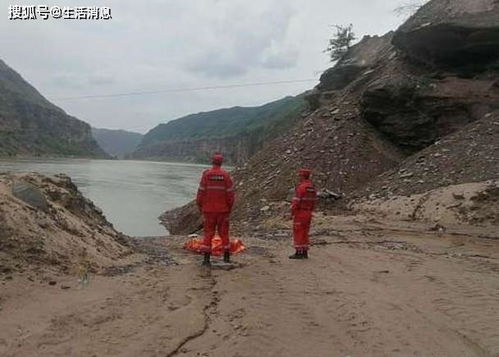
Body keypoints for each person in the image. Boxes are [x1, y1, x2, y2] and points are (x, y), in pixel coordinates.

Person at [196, 153, 235, 266]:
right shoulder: (226, 176)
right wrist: (229, 209)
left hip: (208, 211)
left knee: (208, 233)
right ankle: (226, 258)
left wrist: (200, 207)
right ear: (221, 162)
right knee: (224, 234)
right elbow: (231, 196)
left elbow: (200, 194)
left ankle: (206, 260)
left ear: (212, 162)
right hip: (223, 210)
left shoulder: (206, 175)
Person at [289, 168, 317, 259]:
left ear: (302, 176)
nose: (298, 178)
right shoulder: (312, 187)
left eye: (299, 176)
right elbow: (313, 202)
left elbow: (296, 201)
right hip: (308, 212)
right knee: (305, 232)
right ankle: (305, 252)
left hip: (300, 212)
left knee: (298, 232)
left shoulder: (301, 187)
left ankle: (298, 252)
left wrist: (292, 212)